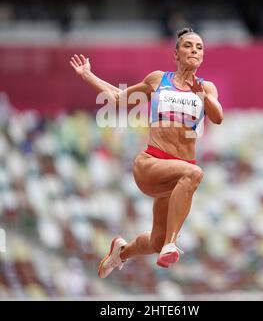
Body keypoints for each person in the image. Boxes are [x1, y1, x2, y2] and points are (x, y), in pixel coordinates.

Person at [70, 27, 223, 278]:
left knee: (155, 242)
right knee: (194, 174)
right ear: (176, 54)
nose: (194, 50)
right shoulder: (158, 80)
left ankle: (122, 251)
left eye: (199, 47)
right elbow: (119, 98)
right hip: (152, 163)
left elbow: (217, 117)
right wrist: (87, 75)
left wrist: (200, 93)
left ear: (202, 57)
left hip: (175, 177)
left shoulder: (207, 88)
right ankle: (171, 245)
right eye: (188, 46)